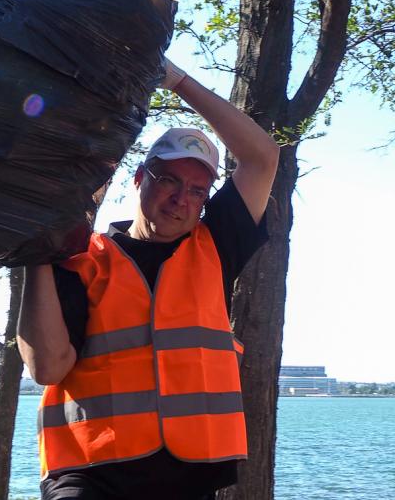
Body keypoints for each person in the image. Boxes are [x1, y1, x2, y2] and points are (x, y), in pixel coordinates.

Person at [17, 59, 279, 500]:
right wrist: (34, 254)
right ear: (140, 179)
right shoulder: (82, 258)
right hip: (91, 471)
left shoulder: (216, 245)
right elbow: (47, 367)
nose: (181, 199)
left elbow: (262, 156)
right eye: (169, 180)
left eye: (198, 190)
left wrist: (175, 80)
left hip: (190, 474)